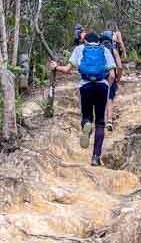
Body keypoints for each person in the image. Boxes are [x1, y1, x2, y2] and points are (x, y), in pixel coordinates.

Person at [49, 31, 116, 166]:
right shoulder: (105, 50)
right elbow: (113, 75)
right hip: (102, 87)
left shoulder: (79, 49)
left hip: (85, 86)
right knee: (101, 122)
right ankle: (96, 157)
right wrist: (106, 86)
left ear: (85, 41)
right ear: (98, 41)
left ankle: (86, 125)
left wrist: (56, 67)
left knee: (86, 116)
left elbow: (67, 70)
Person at [101, 29, 123, 131]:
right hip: (111, 76)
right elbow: (120, 67)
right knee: (109, 99)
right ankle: (109, 121)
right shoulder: (114, 51)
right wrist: (118, 79)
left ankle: (99, 119)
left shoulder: (98, 49)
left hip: (99, 76)